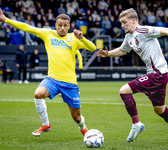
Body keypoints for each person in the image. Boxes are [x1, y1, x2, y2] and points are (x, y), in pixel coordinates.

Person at [97, 8, 168, 143]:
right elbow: (123, 50)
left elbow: (167, 31)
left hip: (158, 74)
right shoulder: (129, 36)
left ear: (133, 21)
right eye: (121, 23)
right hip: (157, 74)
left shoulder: (143, 30)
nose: (122, 25)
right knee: (159, 110)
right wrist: (108, 53)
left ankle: (136, 124)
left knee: (124, 91)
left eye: (124, 22)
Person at [0, 9, 96, 137]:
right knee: (38, 94)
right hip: (52, 79)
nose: (62, 28)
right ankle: (45, 124)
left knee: (77, 118)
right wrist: (6, 20)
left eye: (65, 26)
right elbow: (27, 27)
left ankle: (83, 129)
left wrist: (82, 38)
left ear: (69, 26)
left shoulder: (74, 38)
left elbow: (93, 48)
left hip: (69, 83)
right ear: (56, 25)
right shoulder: (47, 33)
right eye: (60, 25)